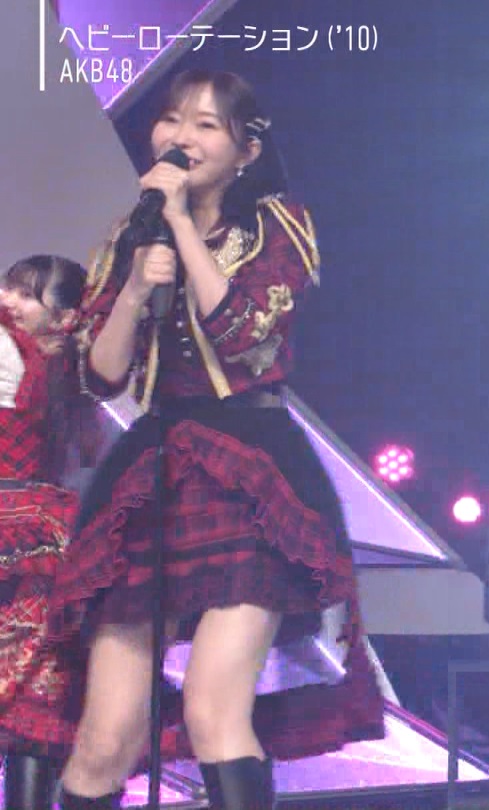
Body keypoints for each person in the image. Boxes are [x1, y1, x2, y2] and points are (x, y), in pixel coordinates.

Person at [44, 69, 385, 810]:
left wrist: (183, 231)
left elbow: (242, 335)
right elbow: (101, 378)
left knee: (211, 710)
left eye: (206, 125)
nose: (181, 137)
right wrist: (136, 288)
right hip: (152, 469)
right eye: (172, 120)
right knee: (104, 740)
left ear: (246, 151)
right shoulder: (130, 235)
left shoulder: (276, 225)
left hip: (250, 471)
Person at [0, 255, 97, 810]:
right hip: (42, 539)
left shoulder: (20, 355)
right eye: (8, 287)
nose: (7, 300)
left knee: (35, 701)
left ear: (63, 318)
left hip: (26, 538)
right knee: (36, 704)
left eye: (25, 294)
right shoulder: (68, 373)